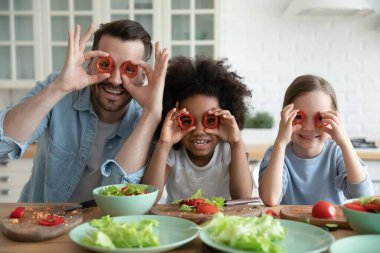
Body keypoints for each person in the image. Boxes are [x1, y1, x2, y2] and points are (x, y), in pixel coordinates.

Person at [0, 19, 169, 202]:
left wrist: (151, 114)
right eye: (106, 64)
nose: (115, 80)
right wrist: (60, 88)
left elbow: (125, 198)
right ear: (89, 64)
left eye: (129, 69)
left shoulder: (149, 119)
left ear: (142, 76)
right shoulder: (59, 89)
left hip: (104, 227)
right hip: (43, 224)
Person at [142, 56, 253, 203]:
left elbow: (243, 198)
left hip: (220, 221)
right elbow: (149, 198)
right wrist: (164, 144)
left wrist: (236, 142)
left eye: (210, 120)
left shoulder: (229, 149)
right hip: (179, 222)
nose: (199, 130)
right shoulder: (172, 151)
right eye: (187, 120)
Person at [259, 74, 374, 206]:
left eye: (320, 118)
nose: (308, 128)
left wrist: (344, 143)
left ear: (335, 118)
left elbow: (364, 197)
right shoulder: (277, 153)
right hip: (290, 226)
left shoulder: (337, 153)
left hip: (332, 226)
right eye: (299, 117)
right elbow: (270, 198)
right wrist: (280, 142)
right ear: (286, 116)